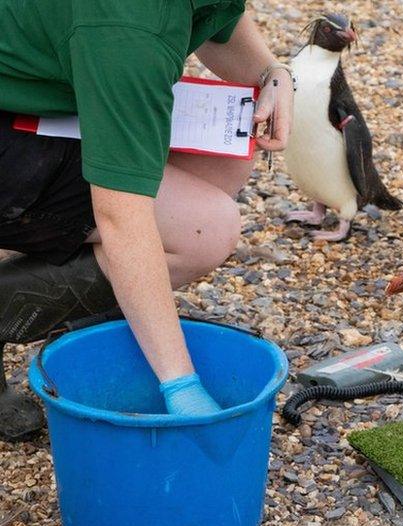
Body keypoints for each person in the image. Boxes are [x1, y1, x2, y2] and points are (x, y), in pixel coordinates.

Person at [0, 0, 294, 440]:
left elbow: (221, 20)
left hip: (39, 80)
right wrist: (181, 385)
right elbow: (120, 217)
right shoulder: (129, 28)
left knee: (225, 154)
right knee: (203, 229)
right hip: (17, 123)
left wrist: (272, 72)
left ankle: (122, 304)